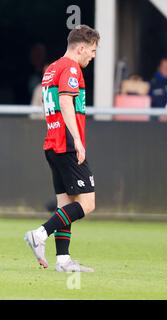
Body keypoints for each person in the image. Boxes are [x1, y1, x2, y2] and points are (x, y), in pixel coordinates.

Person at [24, 25, 100, 272]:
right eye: (92, 49)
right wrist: (77, 139)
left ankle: (63, 260)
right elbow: (66, 100)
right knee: (87, 203)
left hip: (53, 144)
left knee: (65, 204)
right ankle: (40, 233)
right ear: (80, 47)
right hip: (67, 144)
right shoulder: (70, 68)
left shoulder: (52, 69)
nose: (93, 55)